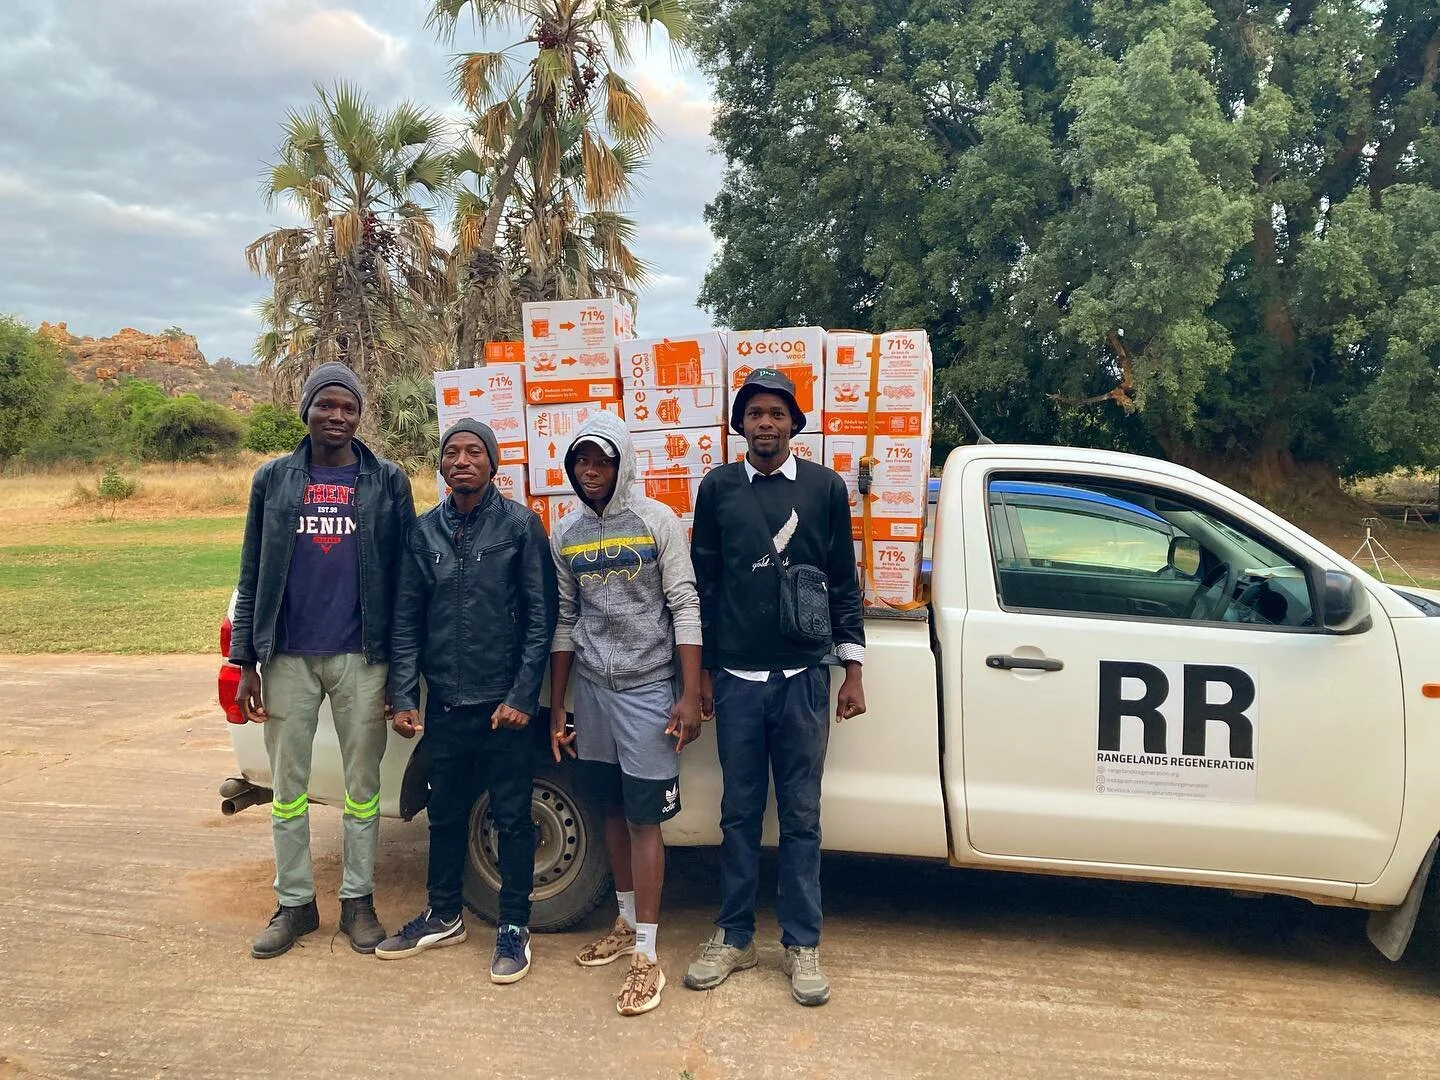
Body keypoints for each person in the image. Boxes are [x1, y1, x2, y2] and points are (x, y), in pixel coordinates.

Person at [682, 368, 866, 1007]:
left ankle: (801, 944)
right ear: (741, 424)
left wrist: (854, 671)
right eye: (755, 413)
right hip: (735, 678)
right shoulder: (718, 488)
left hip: (803, 679)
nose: (766, 423)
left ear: (794, 423)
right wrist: (701, 672)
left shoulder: (824, 488)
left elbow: (843, 577)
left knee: (802, 817)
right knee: (737, 813)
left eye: (777, 413)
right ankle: (733, 938)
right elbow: (703, 583)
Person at [230, 362, 416, 959]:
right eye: (326, 406)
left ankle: (357, 903)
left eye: (349, 408)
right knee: (288, 790)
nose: (337, 417)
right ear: (306, 410)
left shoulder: (387, 481)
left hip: (363, 658)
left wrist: (404, 670)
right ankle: (295, 904)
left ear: (361, 415)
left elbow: (405, 579)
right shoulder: (274, 480)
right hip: (287, 657)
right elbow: (253, 569)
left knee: (363, 791)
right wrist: (245, 663)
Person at [379, 418, 558, 984]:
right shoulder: (422, 533)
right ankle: (444, 913)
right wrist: (404, 693)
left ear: (493, 463)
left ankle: (513, 926)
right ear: (442, 465)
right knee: (447, 813)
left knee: (512, 816)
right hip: (447, 705)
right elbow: (406, 621)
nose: (462, 461)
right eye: (452, 452)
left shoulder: (520, 527)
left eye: (473, 452)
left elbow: (540, 619)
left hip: (504, 707)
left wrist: (523, 694)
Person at [547, 412, 703, 1016]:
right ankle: (621, 919)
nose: (591, 471)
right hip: (592, 689)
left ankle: (647, 952)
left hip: (647, 692)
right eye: (582, 460)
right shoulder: (566, 534)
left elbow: (684, 603)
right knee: (610, 808)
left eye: (602, 460)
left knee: (644, 820)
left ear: (623, 465)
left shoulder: (657, 521)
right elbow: (565, 620)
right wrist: (559, 704)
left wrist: (688, 695)